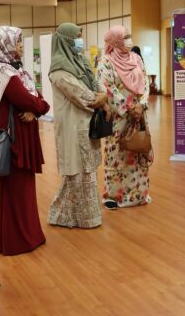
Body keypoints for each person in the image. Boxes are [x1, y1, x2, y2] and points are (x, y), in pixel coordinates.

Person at [0, 26, 50, 255]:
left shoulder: (15, 70)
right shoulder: (6, 74)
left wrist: (36, 107)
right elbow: (34, 101)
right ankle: (18, 240)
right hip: (14, 139)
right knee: (17, 189)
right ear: (5, 45)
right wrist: (37, 107)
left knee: (21, 189)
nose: (21, 47)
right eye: (18, 42)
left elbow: (37, 100)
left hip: (20, 135)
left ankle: (27, 235)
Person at [47, 22, 109, 228]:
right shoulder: (58, 69)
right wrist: (100, 99)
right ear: (66, 41)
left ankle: (78, 216)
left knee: (87, 171)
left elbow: (96, 84)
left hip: (87, 125)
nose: (80, 40)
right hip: (72, 127)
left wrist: (103, 95)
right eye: (77, 37)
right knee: (76, 173)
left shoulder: (81, 61)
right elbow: (80, 94)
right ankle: (69, 216)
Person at [98, 25, 152, 210]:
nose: (129, 40)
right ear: (115, 41)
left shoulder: (136, 58)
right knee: (117, 154)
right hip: (119, 117)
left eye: (130, 36)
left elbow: (146, 83)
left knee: (138, 151)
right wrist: (129, 107)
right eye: (125, 37)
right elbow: (106, 88)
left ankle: (139, 194)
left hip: (139, 115)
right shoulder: (105, 61)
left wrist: (142, 105)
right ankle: (114, 196)